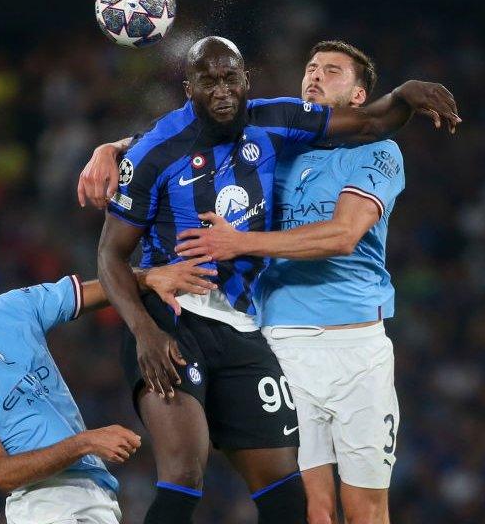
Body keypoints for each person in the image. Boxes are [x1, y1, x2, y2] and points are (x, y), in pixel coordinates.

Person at [89, 36, 459, 524]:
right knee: (186, 475)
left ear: (247, 82)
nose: (221, 91)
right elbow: (109, 252)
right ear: (189, 87)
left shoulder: (282, 128)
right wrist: (111, 149)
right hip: (186, 319)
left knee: (298, 501)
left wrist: (409, 91)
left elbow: (372, 130)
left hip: (259, 328)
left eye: (230, 79)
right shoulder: (168, 150)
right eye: (208, 80)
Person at [174, 40, 407, 524]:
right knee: (309, 511)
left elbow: (343, 235)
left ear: (360, 97)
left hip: (356, 350)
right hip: (280, 346)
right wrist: (111, 149)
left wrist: (241, 244)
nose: (315, 77)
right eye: (311, 68)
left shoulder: (379, 151)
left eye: (333, 71)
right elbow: (181, 129)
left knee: (365, 509)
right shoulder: (272, 140)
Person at [0, 238, 217, 524]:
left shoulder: (10, 310)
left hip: (97, 498)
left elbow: (92, 292)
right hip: (45, 509)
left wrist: (150, 278)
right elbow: (0, 472)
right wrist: (84, 443)